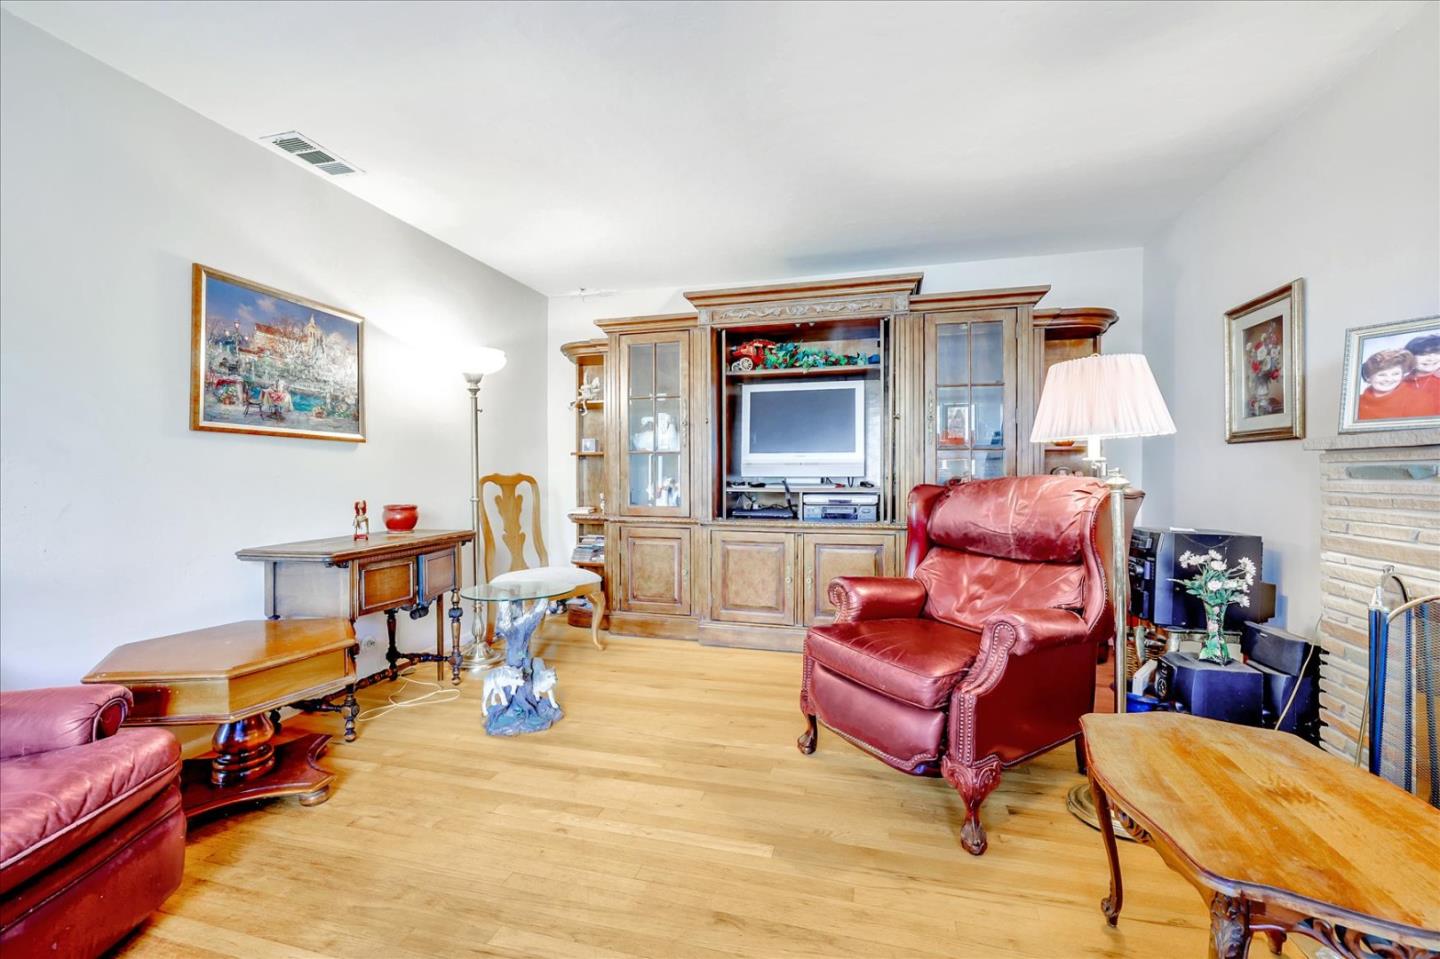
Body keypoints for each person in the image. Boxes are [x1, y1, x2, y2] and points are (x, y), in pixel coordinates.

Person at [1356, 348, 1431, 420]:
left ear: (1402, 375)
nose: (1389, 379)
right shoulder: (1356, 403)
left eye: (1395, 374)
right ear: (1368, 377)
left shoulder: (1418, 398)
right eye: (1382, 375)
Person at [1403, 332, 1440, 413]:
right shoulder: (1398, 383)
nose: (1431, 359)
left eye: (1437, 353)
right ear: (1410, 357)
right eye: (1423, 354)